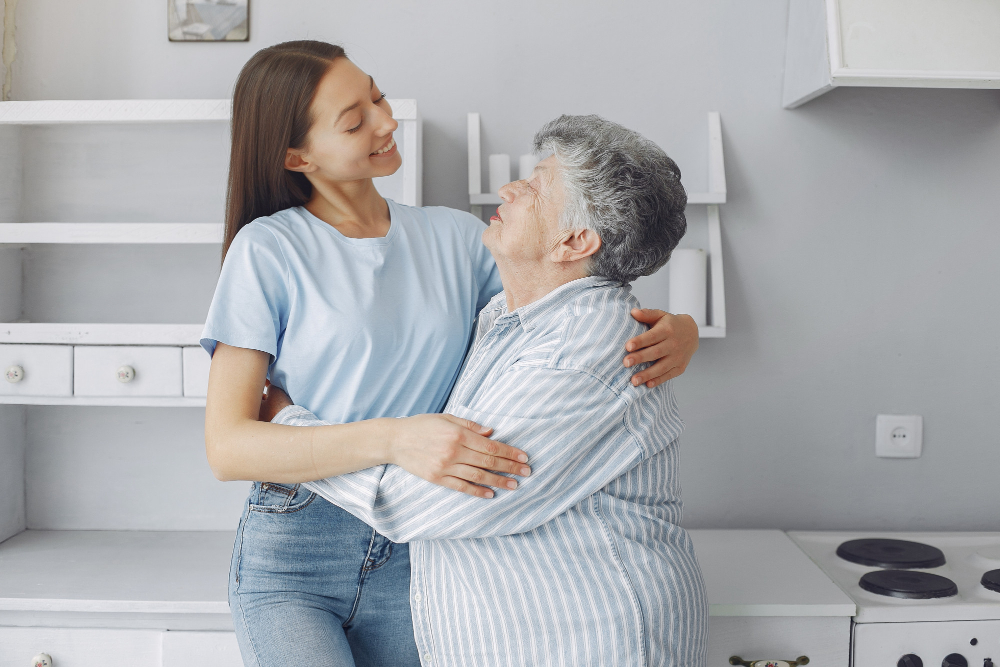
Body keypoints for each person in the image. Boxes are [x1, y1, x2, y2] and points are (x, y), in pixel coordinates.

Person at [201, 40, 700, 667]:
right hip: (299, 544)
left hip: (427, 544)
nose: (386, 121)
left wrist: (679, 328)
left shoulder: (459, 237)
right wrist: (394, 439)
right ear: (297, 156)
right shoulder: (267, 250)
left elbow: (565, 304)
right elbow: (229, 448)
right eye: (355, 121)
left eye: (378, 97)